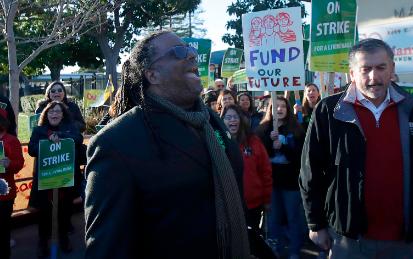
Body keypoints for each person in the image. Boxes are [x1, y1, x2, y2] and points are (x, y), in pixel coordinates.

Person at [84, 31, 249, 258]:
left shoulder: (211, 121)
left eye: (191, 50)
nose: (192, 55)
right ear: (152, 75)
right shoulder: (115, 142)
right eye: (180, 52)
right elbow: (107, 249)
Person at [300, 38, 413, 259]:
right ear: (352, 73)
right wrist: (315, 223)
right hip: (349, 238)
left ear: (392, 68)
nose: (374, 76)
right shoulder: (328, 111)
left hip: (402, 239)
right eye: (366, 69)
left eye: (381, 67)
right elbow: (311, 172)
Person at [28, 101, 83, 258]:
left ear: (63, 114)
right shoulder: (39, 130)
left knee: (65, 211)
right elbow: (32, 150)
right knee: (45, 213)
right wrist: (47, 140)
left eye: (58, 111)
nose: (55, 114)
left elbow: (77, 139)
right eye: (51, 111)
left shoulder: (70, 128)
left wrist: (59, 136)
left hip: (65, 178)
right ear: (46, 114)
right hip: (46, 180)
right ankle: (42, 242)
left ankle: (64, 239)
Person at [256, 96, 306, 258]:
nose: (279, 109)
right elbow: (260, 157)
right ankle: (274, 251)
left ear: (288, 109)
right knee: (273, 219)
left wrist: (283, 147)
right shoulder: (262, 130)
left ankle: (294, 251)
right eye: (275, 106)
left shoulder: (297, 130)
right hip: (271, 183)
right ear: (270, 109)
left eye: (283, 106)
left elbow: (300, 157)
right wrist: (270, 143)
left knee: (293, 218)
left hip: (291, 182)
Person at [221, 104, 272, 231]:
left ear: (241, 120)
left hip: (252, 204)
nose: (232, 120)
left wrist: (266, 199)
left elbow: (265, 170)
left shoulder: (253, 141)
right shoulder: (217, 142)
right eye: (228, 117)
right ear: (222, 120)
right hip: (228, 205)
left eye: (235, 117)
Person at [0, 115, 24, 259]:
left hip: (4, 194)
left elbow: (19, 163)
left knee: (3, 231)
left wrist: (9, 164)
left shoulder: (11, 140)